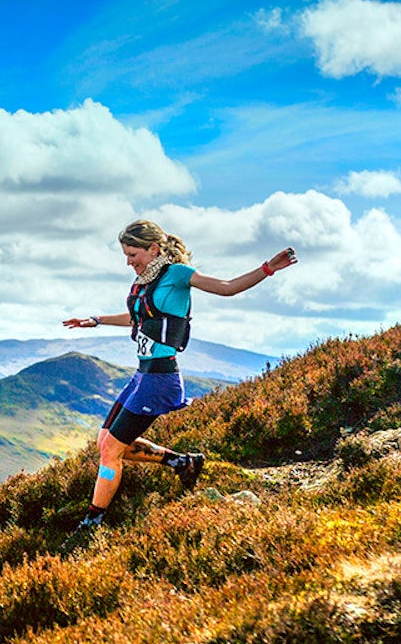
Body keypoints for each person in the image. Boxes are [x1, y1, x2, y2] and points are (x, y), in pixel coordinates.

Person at [63, 220, 297, 531]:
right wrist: (95, 320)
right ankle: (182, 462)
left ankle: (93, 521)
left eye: (133, 254)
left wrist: (268, 268)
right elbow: (136, 318)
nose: (128, 261)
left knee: (110, 450)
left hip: (160, 379)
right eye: (125, 255)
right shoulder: (145, 281)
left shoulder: (177, 274)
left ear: (154, 249)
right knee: (104, 441)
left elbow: (228, 288)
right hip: (142, 374)